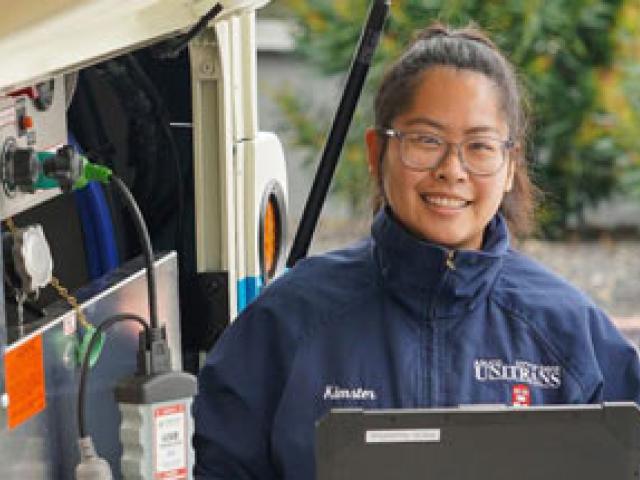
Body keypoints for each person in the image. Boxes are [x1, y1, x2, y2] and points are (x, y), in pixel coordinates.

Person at [193, 23, 640, 479]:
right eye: (426, 140)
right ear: (376, 151)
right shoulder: (287, 322)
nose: (452, 169)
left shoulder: (569, 334)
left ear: (510, 166)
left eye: (480, 146)